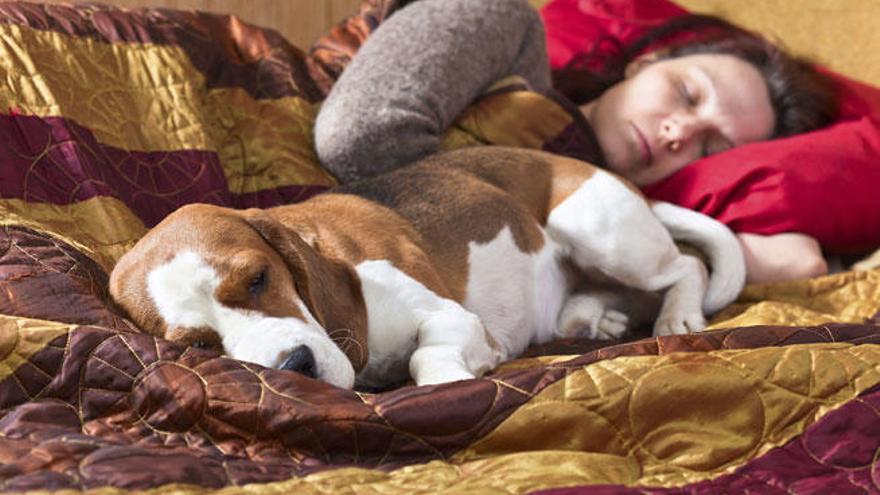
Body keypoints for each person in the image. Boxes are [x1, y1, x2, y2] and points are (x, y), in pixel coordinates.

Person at [313, 0, 838, 284]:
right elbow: (361, 140)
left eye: (713, 148)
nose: (679, 132)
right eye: (687, 93)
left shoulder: (621, 216)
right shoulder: (507, 27)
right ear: (644, 63)